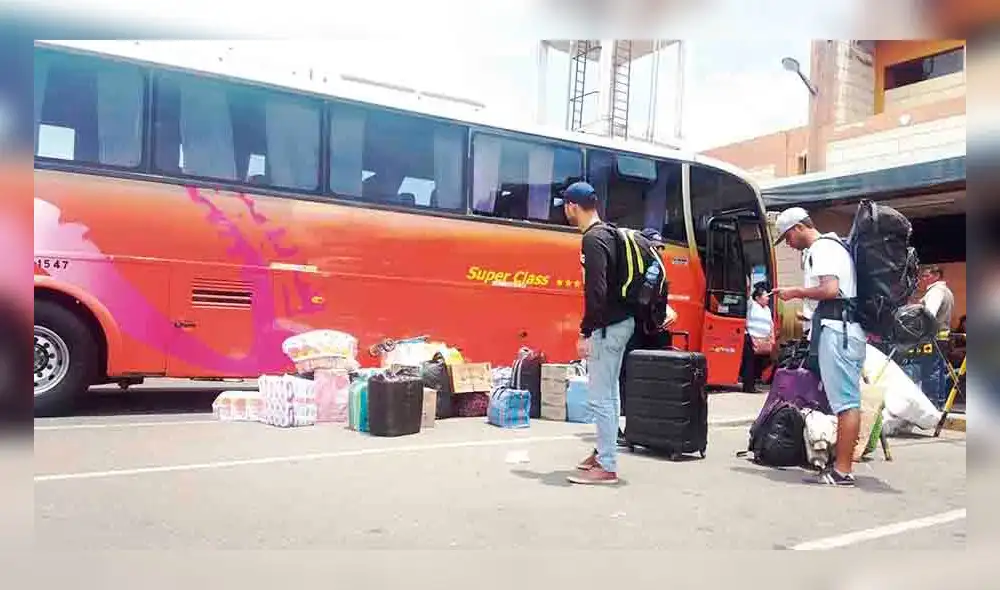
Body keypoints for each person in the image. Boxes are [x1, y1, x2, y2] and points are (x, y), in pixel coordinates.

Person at [771, 207, 866, 487]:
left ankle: (843, 471)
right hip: (842, 329)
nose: (788, 243)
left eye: (787, 236)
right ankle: (840, 465)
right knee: (844, 401)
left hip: (839, 332)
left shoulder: (822, 249)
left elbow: (830, 290)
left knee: (846, 403)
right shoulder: (833, 246)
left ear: (799, 227)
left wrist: (794, 292)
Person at [558, 181, 634, 485]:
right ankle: (604, 451)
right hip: (621, 322)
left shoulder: (592, 239)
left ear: (573, 206)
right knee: (611, 394)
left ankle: (607, 465)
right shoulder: (610, 233)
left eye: (565, 207)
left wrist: (586, 331)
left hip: (608, 326)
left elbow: (596, 291)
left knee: (600, 396)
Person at [616, 228, 678, 446]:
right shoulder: (645, 270)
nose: (659, 251)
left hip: (647, 333)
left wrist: (665, 312)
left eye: (661, 247)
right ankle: (623, 428)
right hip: (636, 333)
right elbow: (643, 302)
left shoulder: (657, 270)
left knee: (645, 381)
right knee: (628, 380)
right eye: (654, 247)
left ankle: (643, 428)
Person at [902, 265, 956, 409]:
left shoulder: (936, 291)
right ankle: (939, 404)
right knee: (938, 373)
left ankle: (931, 405)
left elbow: (929, 313)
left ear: (936, 275)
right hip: (942, 338)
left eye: (926, 276)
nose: (922, 279)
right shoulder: (946, 291)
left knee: (929, 372)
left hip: (932, 338)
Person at [740, 283, 774, 393]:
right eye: (766, 296)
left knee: (760, 363)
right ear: (758, 298)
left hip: (763, 341)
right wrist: (748, 285)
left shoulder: (767, 309)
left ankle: (754, 383)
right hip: (751, 338)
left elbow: (771, 324)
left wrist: (771, 336)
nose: (768, 298)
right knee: (750, 363)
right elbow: (747, 295)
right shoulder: (752, 305)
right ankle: (748, 386)